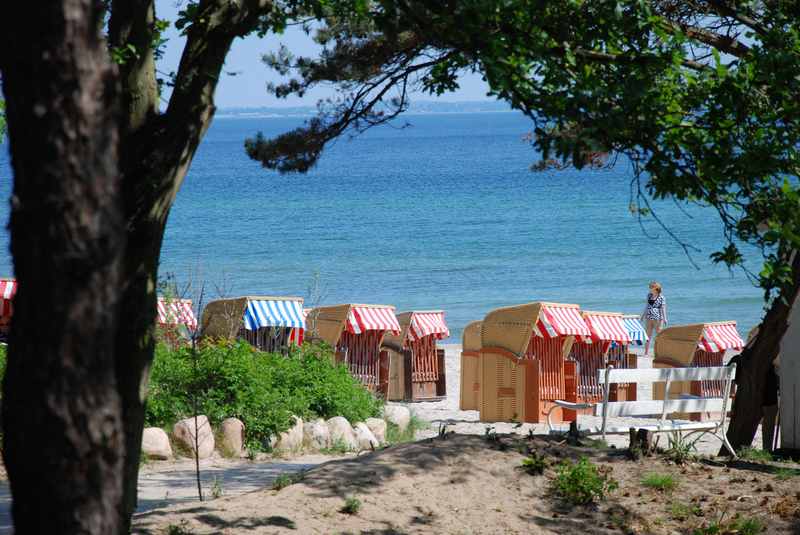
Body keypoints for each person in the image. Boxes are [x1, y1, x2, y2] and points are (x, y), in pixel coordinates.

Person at [641, 281, 667, 356]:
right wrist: (643, 315)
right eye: (650, 287)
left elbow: (663, 308)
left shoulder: (661, 297)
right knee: (647, 335)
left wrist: (665, 318)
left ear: (655, 288)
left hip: (658, 318)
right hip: (648, 318)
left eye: (651, 287)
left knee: (658, 336)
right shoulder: (649, 295)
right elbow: (646, 306)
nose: (649, 289)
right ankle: (646, 352)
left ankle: (659, 353)